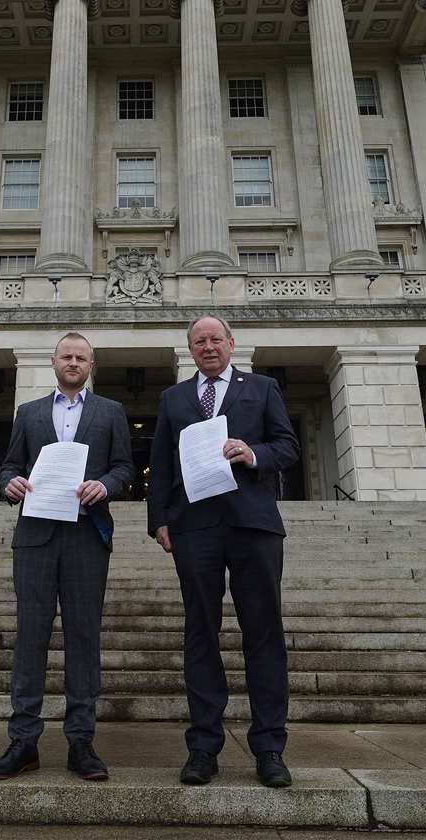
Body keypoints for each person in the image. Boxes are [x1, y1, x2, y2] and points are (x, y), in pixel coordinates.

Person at [147, 315, 300, 788]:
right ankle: (203, 747)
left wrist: (252, 453)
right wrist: (159, 520)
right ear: (189, 350)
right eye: (199, 341)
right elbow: (160, 462)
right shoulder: (173, 398)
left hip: (252, 522)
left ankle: (270, 747)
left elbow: (287, 446)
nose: (208, 347)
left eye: (216, 339)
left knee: (263, 634)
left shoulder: (262, 387)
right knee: (200, 633)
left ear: (231, 344)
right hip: (195, 527)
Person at [0, 332, 134, 782]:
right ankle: (23, 741)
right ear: (53, 362)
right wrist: (7, 485)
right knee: (30, 635)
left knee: (84, 637)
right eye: (66, 356)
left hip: (87, 535)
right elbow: (9, 467)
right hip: (35, 536)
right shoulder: (28, 413)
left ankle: (81, 741)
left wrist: (105, 485)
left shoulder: (110, 412)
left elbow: (125, 467)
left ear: (92, 363)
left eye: (81, 357)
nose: (73, 362)